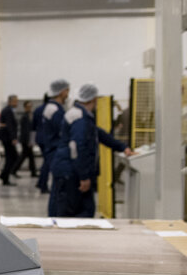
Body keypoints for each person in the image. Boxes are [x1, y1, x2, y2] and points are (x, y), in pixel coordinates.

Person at [54, 83, 133, 217]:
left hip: (70, 170)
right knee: (78, 212)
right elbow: (77, 148)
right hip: (72, 173)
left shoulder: (82, 115)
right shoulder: (80, 118)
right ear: (93, 99)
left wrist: (122, 147)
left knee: (76, 210)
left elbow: (99, 134)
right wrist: (84, 176)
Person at [40, 79, 71, 214]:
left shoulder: (49, 107)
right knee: (58, 187)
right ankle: (54, 215)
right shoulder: (56, 110)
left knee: (56, 186)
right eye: (67, 90)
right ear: (61, 91)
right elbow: (62, 131)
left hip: (51, 149)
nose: (68, 94)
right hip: (56, 150)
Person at [0, 95, 20, 186]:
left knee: (11, 157)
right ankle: (4, 176)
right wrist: (13, 138)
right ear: (10, 101)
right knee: (12, 157)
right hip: (8, 138)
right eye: (15, 101)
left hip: (7, 138)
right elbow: (9, 125)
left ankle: (4, 175)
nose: (16, 103)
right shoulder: (8, 111)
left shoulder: (9, 110)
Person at [18, 101, 37, 176]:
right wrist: (29, 141)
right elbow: (26, 130)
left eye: (30, 106)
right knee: (24, 156)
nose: (30, 108)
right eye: (28, 106)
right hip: (26, 140)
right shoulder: (25, 117)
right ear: (25, 107)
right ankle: (14, 169)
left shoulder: (30, 115)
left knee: (30, 156)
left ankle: (33, 172)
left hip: (28, 139)